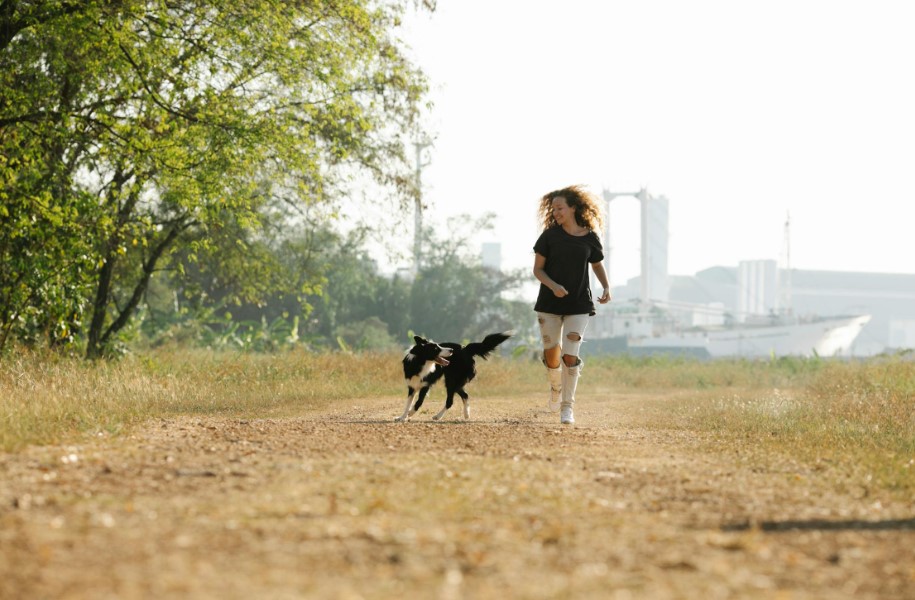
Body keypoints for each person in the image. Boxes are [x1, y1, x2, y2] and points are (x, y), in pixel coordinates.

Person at [532, 185, 611, 425]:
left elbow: (596, 264)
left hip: (579, 304)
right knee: (552, 356)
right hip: (549, 304)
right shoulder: (549, 236)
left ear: (573, 208)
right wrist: (554, 286)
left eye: (560, 208)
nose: (556, 212)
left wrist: (606, 287)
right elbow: (538, 270)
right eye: (553, 209)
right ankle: (556, 387)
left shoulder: (590, 237)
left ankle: (567, 407)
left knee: (570, 355)